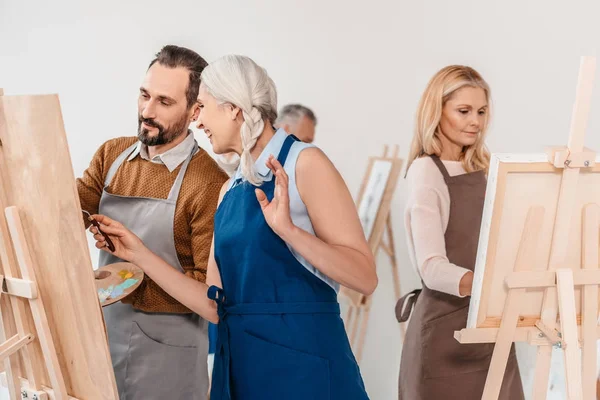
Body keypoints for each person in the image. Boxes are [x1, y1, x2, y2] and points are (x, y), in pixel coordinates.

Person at [89, 54, 377, 400]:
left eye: (202, 107)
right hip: (240, 367)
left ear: (233, 109)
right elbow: (213, 304)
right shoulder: (231, 187)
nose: (196, 120)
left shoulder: (306, 163)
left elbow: (365, 277)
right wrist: (138, 253)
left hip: (303, 365)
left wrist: (289, 231)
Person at [77, 45, 228, 399]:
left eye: (164, 101)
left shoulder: (208, 183)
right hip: (102, 340)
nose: (147, 111)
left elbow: (212, 297)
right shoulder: (112, 156)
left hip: (167, 355)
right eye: (144, 95)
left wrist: (138, 261)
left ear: (195, 111)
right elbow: (68, 210)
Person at [395, 65, 524, 399]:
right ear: (437, 112)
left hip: (491, 330)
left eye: (481, 111)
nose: (475, 122)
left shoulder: (484, 169)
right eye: (463, 111)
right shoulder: (426, 171)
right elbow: (432, 268)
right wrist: (491, 288)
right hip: (445, 335)